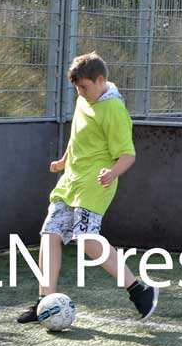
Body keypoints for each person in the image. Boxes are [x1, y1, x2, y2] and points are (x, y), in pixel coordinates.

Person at [16, 52, 159, 325]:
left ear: (101, 80)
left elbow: (128, 154)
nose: (80, 93)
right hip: (71, 180)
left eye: (84, 87)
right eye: (77, 88)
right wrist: (64, 160)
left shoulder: (114, 110)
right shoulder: (85, 100)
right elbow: (77, 135)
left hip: (96, 183)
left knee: (85, 237)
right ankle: (44, 301)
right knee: (50, 233)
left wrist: (112, 172)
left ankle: (139, 290)